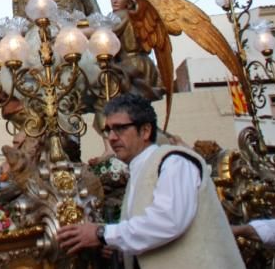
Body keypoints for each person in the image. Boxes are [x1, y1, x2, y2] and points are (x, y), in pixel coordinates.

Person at [56, 93, 243, 267]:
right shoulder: (139, 172)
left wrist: (102, 233)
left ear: (145, 130)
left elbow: (168, 221)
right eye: (108, 130)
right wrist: (119, 248)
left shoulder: (174, 162)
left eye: (120, 128)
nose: (112, 138)